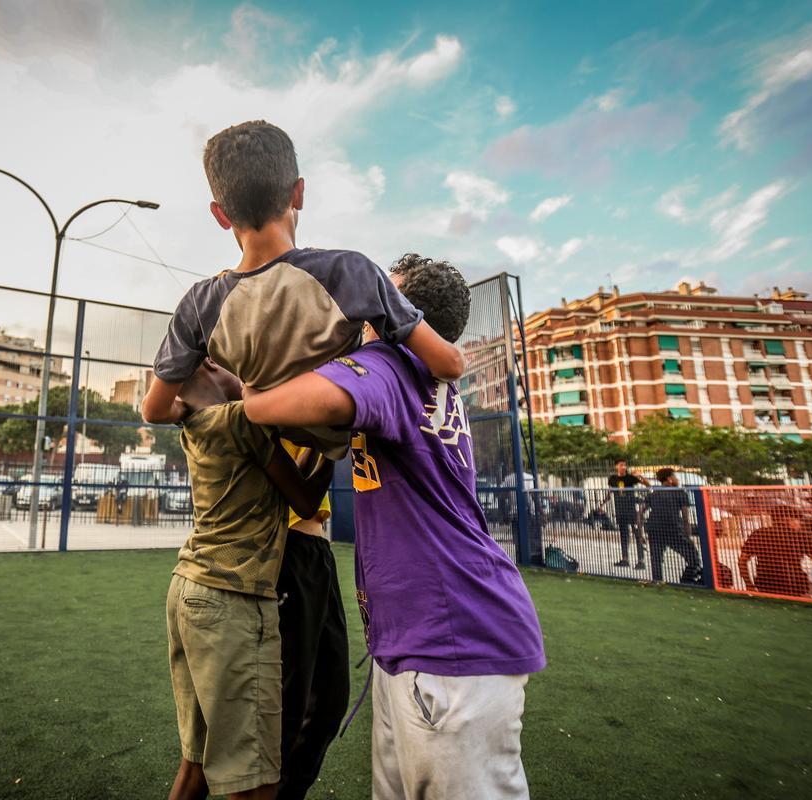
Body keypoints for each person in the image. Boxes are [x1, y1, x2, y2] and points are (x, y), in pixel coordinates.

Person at [245, 254, 545, 800]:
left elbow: (283, 406)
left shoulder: (389, 364)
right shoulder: (424, 374)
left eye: (377, 300)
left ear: (397, 314)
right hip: (424, 640)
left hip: (448, 645)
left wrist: (248, 387)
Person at [141, 120, 465, 457]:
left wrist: (188, 411)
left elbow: (154, 410)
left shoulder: (199, 304)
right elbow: (448, 365)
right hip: (354, 436)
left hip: (273, 451)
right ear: (298, 193)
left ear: (221, 215)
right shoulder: (348, 271)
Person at [167, 359, 334, 800]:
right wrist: (336, 444)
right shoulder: (243, 420)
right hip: (232, 595)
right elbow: (303, 493)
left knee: (197, 765)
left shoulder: (196, 425)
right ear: (209, 371)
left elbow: (155, 404)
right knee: (256, 780)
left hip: (191, 585)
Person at [275, 442, 348, 800]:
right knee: (289, 707)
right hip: (284, 549)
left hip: (318, 551)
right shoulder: (256, 395)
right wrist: (329, 437)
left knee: (330, 701)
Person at [738, 504, 812, 600]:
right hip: (795, 588)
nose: (800, 523)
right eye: (798, 520)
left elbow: (742, 562)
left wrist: (749, 585)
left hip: (765, 586)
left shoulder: (758, 534)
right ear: (788, 520)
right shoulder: (803, 537)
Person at [642, 468, 703, 584]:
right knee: (693, 556)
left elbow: (641, 512)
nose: (677, 479)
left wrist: (640, 532)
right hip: (673, 529)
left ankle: (657, 581)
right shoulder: (680, 493)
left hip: (654, 529)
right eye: (675, 476)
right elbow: (686, 518)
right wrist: (688, 535)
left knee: (656, 559)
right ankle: (687, 580)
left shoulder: (655, 492)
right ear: (669, 479)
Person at [594, 458, 649, 569]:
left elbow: (647, 485)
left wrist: (640, 476)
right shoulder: (613, 479)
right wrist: (601, 504)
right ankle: (625, 559)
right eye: (621, 465)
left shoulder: (630, 478)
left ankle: (641, 560)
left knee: (637, 534)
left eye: (625, 465)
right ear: (616, 466)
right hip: (620, 509)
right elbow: (610, 492)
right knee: (624, 534)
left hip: (631, 509)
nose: (623, 467)